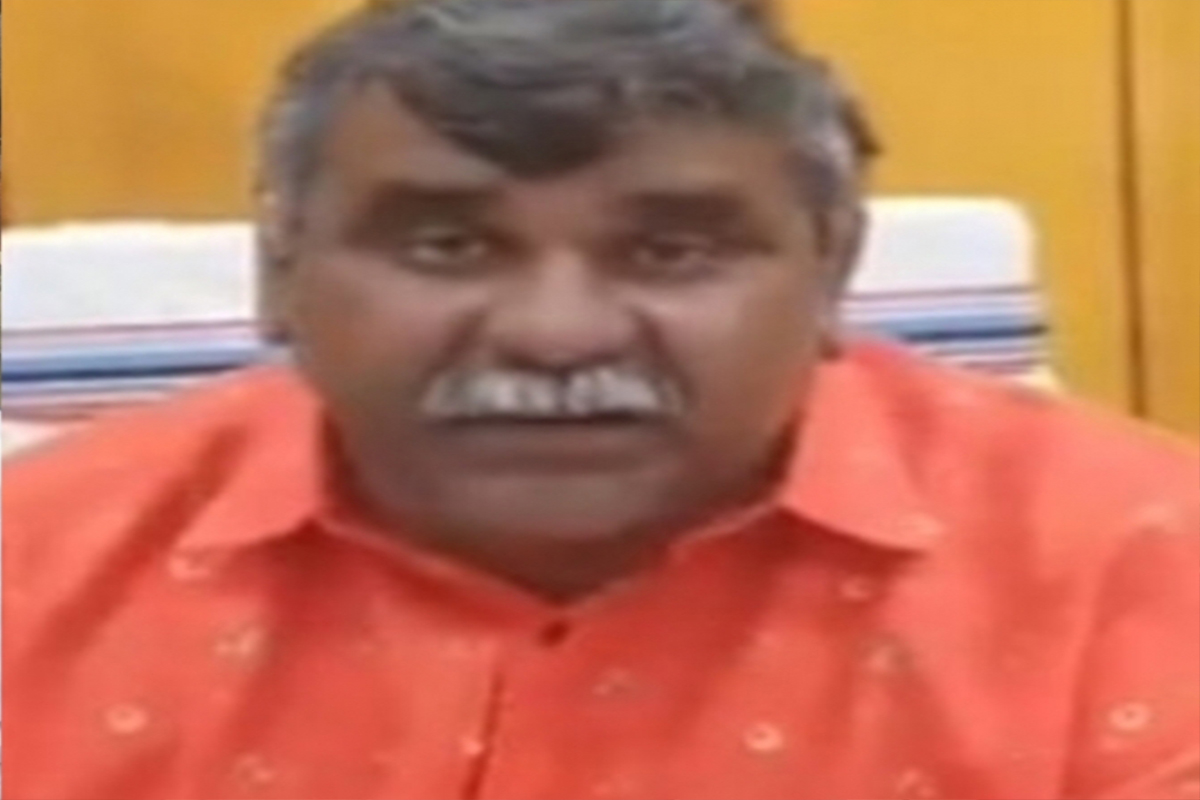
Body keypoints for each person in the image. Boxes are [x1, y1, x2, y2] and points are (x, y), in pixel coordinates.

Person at [4, 1, 1197, 798]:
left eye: (671, 251)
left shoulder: (1139, 560)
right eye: (448, 245)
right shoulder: (33, 563)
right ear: (280, 274)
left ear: (833, 272)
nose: (556, 331)